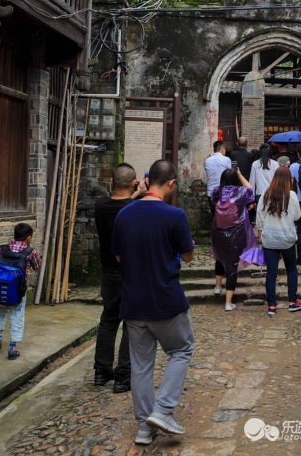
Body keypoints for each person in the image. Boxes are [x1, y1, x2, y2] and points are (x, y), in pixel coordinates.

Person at [111, 159, 196, 446]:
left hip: (133, 301)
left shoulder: (124, 215)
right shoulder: (175, 215)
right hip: (165, 299)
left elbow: (119, 257)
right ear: (171, 182)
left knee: (141, 365)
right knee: (182, 349)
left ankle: (144, 428)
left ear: (148, 181)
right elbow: (188, 256)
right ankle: (162, 410)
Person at [93, 163, 147, 392]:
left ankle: (101, 371)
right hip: (131, 271)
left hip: (108, 271)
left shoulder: (100, 206)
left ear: (111, 182)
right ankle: (123, 376)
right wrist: (140, 194)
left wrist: (135, 192)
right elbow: (129, 205)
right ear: (134, 183)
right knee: (131, 322)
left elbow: (119, 202)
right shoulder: (137, 209)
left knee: (108, 319)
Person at [0, 223, 41, 360]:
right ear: (28, 238)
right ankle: (12, 348)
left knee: (0, 311)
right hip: (17, 291)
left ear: (14, 236)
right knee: (17, 315)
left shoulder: (2, 249)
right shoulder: (30, 252)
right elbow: (37, 267)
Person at [256, 166, 301, 316]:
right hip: (287, 238)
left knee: (271, 273)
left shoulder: (265, 194)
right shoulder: (292, 196)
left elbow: (259, 217)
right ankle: (292, 301)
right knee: (291, 269)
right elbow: (297, 216)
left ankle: (272, 305)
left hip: (269, 238)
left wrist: (260, 234)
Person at [210, 168, 256, 310]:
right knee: (233, 266)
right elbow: (251, 190)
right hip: (237, 233)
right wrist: (241, 175)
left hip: (218, 232)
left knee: (219, 257)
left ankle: (218, 287)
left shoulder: (216, 192)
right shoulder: (240, 192)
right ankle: (228, 303)